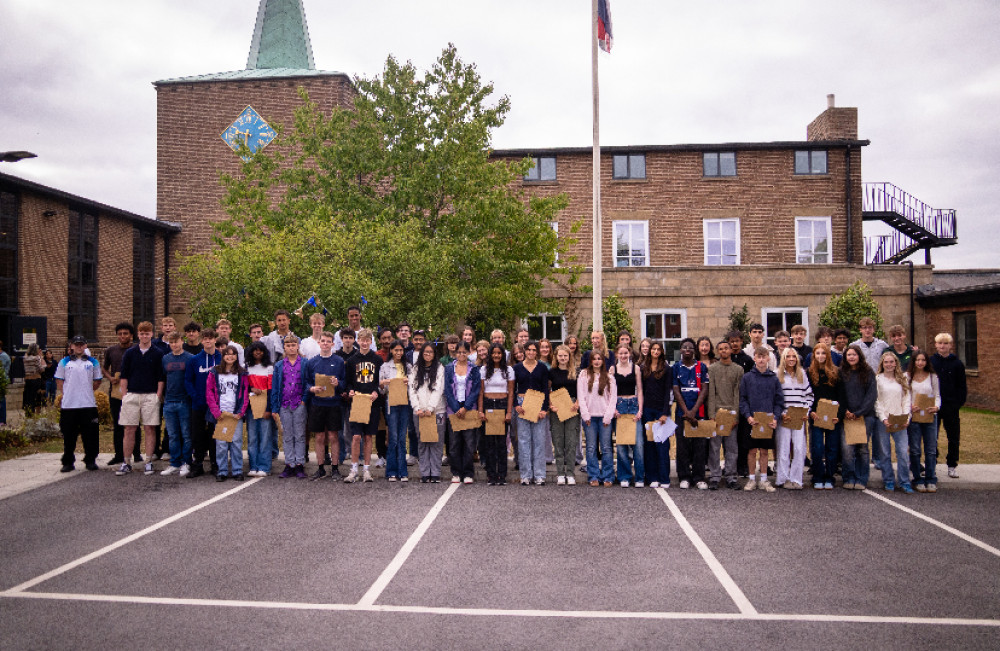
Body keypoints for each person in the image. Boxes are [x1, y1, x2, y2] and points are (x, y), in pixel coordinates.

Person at [117, 322, 165, 477]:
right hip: (132, 394)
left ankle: (149, 461)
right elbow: (123, 376)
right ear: (138, 335)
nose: (145, 336)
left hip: (150, 394)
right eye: (142, 333)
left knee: (150, 428)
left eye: (147, 333)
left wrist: (158, 395)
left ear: (152, 334)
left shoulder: (158, 353)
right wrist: (124, 395)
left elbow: (160, 377)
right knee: (129, 429)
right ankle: (126, 462)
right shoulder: (130, 353)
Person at [54, 335, 103, 472]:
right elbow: (59, 380)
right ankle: (68, 462)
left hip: (88, 404)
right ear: (72, 346)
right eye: (77, 344)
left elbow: (97, 381)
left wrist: (87, 390)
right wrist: (67, 393)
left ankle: (90, 460)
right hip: (69, 405)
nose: (79, 347)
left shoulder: (93, 362)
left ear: (86, 346)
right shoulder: (64, 362)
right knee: (69, 435)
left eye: (82, 344)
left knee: (90, 435)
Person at [739, 346, 783, 492]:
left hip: (768, 421)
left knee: (764, 451)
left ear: (768, 358)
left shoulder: (773, 378)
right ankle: (752, 479)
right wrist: (748, 416)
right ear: (754, 358)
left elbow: (779, 401)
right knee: (752, 451)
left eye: (764, 356)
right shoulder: (747, 377)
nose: (762, 359)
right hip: (752, 421)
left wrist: (775, 417)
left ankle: (764, 480)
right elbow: (742, 399)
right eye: (759, 356)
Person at [305, 330, 347, 480]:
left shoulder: (339, 361)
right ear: (319, 342)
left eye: (328, 341)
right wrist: (311, 388)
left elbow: (344, 383)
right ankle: (321, 468)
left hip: (334, 404)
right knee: (319, 437)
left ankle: (335, 468)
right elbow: (306, 383)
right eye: (323, 341)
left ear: (333, 344)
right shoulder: (312, 362)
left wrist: (338, 383)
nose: (325, 344)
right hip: (317, 404)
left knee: (333, 435)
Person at [344, 328, 383, 483]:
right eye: (362, 340)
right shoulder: (352, 360)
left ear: (371, 341)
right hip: (358, 403)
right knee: (356, 436)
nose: (365, 343)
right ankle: (354, 468)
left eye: (368, 340)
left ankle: (366, 469)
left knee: (368, 437)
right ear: (357, 341)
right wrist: (350, 391)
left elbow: (380, 381)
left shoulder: (377, 360)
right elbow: (347, 383)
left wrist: (376, 391)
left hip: (371, 403)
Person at [206, 345, 249, 482]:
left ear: (237, 356)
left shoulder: (242, 373)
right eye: (227, 354)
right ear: (223, 356)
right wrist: (216, 412)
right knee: (221, 444)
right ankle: (222, 470)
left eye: (233, 354)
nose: (230, 356)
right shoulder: (215, 371)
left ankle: (237, 470)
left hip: (235, 414)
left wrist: (241, 412)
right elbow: (209, 392)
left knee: (236, 442)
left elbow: (245, 394)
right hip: (221, 414)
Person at [184, 327, 221, 478]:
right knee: (197, 434)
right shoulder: (194, 360)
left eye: (210, 338)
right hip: (198, 403)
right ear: (202, 340)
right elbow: (188, 380)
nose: (207, 341)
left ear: (214, 340)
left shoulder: (221, 358)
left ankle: (215, 464)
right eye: (205, 338)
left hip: (216, 404)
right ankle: (198, 464)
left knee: (214, 434)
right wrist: (195, 396)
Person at [673, 338, 710, 490]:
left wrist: (694, 411)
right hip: (683, 413)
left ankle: (699, 477)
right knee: (682, 445)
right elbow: (676, 390)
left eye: (690, 347)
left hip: (698, 412)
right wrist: (687, 412)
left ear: (694, 350)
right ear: (680, 350)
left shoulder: (701, 367)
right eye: (684, 347)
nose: (687, 349)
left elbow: (704, 389)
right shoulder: (676, 367)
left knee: (699, 445)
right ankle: (684, 476)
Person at [775, 347, 814, 490]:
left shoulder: (802, 374)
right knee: (783, 448)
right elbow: (776, 398)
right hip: (784, 417)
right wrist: (781, 414)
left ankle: (796, 479)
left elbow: (809, 395)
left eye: (793, 357)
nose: (791, 359)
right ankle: (783, 479)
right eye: (788, 356)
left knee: (799, 448)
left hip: (799, 416)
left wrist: (806, 411)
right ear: (783, 358)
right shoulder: (777, 375)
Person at [807, 343, 844, 490]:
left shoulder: (836, 372)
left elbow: (841, 395)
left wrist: (839, 415)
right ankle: (817, 476)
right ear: (814, 356)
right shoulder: (809, 373)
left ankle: (829, 476)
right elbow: (807, 395)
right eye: (818, 353)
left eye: (824, 353)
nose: (821, 356)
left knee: (832, 447)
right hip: (816, 415)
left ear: (828, 355)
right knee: (817, 447)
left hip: (832, 416)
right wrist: (811, 411)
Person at [839, 345, 877, 490]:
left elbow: (871, 395)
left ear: (859, 356)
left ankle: (861, 478)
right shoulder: (841, 372)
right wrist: (845, 411)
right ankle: (848, 477)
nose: (852, 357)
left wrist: (859, 412)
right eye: (849, 355)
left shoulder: (868, 372)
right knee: (847, 449)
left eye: (854, 354)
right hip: (847, 416)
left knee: (862, 448)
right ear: (845, 357)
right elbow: (839, 394)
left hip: (865, 416)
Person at [513, 340, 550, 485]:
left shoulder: (542, 368)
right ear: (524, 351)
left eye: (534, 350)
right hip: (522, 404)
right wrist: (516, 405)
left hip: (538, 404)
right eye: (529, 350)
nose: (531, 353)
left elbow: (546, 389)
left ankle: (539, 474)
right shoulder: (517, 368)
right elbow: (512, 388)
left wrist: (544, 409)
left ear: (537, 352)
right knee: (523, 441)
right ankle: (526, 475)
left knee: (539, 440)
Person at [707, 339, 743, 490]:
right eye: (720, 349)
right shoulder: (713, 369)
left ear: (730, 350)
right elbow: (711, 393)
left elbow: (738, 394)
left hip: (731, 413)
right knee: (714, 447)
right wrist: (712, 415)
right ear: (717, 351)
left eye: (726, 348)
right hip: (717, 412)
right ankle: (715, 476)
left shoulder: (738, 369)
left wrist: (736, 416)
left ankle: (731, 476)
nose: (724, 351)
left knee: (731, 447)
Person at [271, 334, 309, 479]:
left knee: (299, 434)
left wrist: (304, 400)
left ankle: (299, 464)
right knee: (287, 435)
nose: (291, 348)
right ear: (284, 347)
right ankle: (289, 464)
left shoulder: (304, 363)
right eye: (288, 345)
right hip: (284, 403)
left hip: (299, 403)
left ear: (298, 346)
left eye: (293, 345)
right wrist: (275, 407)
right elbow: (275, 387)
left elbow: (308, 382)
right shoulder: (280, 365)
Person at [875, 351, 912, 493]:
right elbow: (877, 401)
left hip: (900, 421)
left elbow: (906, 399)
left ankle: (904, 481)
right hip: (883, 421)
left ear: (896, 363)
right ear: (882, 364)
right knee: (885, 453)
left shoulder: (902, 378)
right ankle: (888, 480)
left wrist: (906, 417)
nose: (889, 364)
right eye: (886, 362)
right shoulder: (878, 379)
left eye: (891, 362)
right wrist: (883, 418)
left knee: (902, 452)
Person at [444, 341, 481, 483]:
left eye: (464, 352)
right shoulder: (448, 368)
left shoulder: (474, 369)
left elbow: (475, 390)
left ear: (468, 352)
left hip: (469, 408)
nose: (461, 355)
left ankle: (468, 473)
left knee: (469, 442)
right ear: (455, 353)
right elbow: (447, 390)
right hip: (453, 408)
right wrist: (455, 408)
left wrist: (465, 407)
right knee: (454, 443)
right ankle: (456, 472)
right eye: (458, 352)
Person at [103, 322, 140, 466]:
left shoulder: (136, 349)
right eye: (120, 334)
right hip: (116, 391)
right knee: (118, 423)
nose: (123, 336)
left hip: (133, 389)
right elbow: (104, 368)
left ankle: (136, 454)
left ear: (131, 335)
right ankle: (119, 454)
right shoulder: (111, 350)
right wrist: (110, 377)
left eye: (126, 333)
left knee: (134, 423)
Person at [930, 332, 966, 479]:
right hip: (934, 406)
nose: (942, 346)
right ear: (936, 345)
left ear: (950, 345)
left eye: (945, 343)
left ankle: (952, 465)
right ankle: (932, 464)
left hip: (951, 406)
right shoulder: (931, 361)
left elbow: (961, 386)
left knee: (953, 437)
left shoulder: (957, 364)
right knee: (932, 437)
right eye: (940, 343)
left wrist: (958, 403)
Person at [578, 349, 616, 487]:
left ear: (603, 361)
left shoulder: (610, 377)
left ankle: (608, 476)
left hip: (604, 418)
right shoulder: (583, 375)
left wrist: (608, 416)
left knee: (606, 448)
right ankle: (593, 475)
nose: (597, 361)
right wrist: (585, 414)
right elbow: (581, 396)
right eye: (594, 358)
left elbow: (613, 399)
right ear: (590, 361)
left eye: (599, 358)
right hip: (590, 417)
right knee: (591, 447)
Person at [410, 342, 446, 483]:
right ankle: (425, 473)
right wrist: (417, 407)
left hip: (438, 412)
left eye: (430, 352)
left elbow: (439, 389)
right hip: (419, 412)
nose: (428, 355)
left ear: (434, 354)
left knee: (437, 442)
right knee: (423, 441)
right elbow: (412, 390)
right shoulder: (415, 369)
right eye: (425, 352)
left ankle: (435, 472)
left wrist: (430, 408)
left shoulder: (440, 368)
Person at [478, 343, 514, 485]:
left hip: (502, 405)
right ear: (490, 354)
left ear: (503, 355)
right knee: (489, 443)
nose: (496, 355)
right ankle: (491, 475)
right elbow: (480, 392)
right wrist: (480, 410)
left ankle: (502, 475)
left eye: (499, 353)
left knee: (501, 443)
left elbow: (511, 392)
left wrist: (509, 412)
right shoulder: (484, 369)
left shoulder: (509, 370)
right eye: (494, 353)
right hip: (488, 405)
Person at [159, 332, 194, 476]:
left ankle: (186, 462)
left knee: (186, 434)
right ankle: (175, 462)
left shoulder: (190, 358)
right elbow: (162, 378)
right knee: (172, 435)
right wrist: (161, 396)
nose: (174, 344)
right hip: (169, 402)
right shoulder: (165, 359)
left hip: (184, 401)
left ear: (182, 341)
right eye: (171, 342)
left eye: (176, 342)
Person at [641, 341, 673, 488]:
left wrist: (665, 413)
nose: (655, 351)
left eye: (658, 349)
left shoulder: (667, 368)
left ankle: (664, 478)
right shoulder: (643, 368)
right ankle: (652, 477)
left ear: (661, 351)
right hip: (647, 410)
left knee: (662, 444)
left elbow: (668, 392)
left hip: (661, 411)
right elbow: (641, 390)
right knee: (649, 444)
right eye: (653, 349)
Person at [907, 351, 940, 493]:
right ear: (913, 361)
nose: (920, 363)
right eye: (917, 360)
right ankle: (917, 479)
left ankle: (931, 478)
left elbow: (937, 395)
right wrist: (910, 406)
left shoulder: (933, 377)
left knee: (931, 449)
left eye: (923, 360)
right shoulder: (907, 376)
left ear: (927, 362)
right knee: (915, 450)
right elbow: (905, 395)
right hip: (914, 417)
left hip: (930, 416)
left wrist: (937, 407)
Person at [379, 339, 412, 481]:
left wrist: (408, 381)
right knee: (393, 437)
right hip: (391, 402)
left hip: (405, 403)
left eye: (401, 350)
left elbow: (414, 386)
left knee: (402, 436)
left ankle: (403, 471)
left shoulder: (409, 366)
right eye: (396, 350)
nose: (398, 353)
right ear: (391, 351)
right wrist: (383, 383)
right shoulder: (385, 367)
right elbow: (380, 389)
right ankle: (391, 471)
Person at [547, 344, 579, 485]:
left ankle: (570, 473)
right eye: (560, 356)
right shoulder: (552, 372)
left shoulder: (575, 371)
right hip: (557, 407)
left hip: (572, 407)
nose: (563, 358)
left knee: (571, 441)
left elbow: (581, 390)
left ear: (569, 357)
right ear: (556, 357)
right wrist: (550, 405)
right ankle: (560, 473)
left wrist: (578, 403)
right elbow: (547, 389)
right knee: (558, 440)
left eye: (565, 356)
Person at [613, 343, 644, 487]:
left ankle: (639, 477)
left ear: (630, 354)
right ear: (617, 355)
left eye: (626, 353)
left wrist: (640, 410)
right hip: (619, 406)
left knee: (637, 444)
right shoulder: (613, 369)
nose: (623, 356)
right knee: (621, 445)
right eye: (621, 353)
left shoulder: (636, 368)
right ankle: (624, 476)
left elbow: (640, 390)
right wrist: (613, 408)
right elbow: (610, 391)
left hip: (633, 405)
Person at [244, 341, 274, 477]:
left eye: (260, 350)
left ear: (264, 352)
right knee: (252, 438)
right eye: (255, 350)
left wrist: (269, 409)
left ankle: (264, 466)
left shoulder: (269, 367)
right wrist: (251, 389)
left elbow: (271, 389)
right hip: (251, 408)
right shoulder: (246, 368)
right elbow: (244, 387)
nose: (257, 352)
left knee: (265, 438)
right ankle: (253, 466)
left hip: (264, 408)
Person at [21, 343, 46, 416]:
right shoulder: (36, 358)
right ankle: (36, 415)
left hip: (28, 380)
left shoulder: (25, 358)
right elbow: (41, 369)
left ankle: (28, 414)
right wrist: (41, 357)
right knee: (36, 398)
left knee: (28, 398)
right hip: (35, 380)